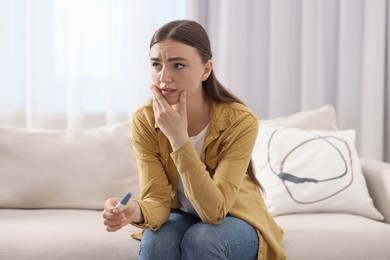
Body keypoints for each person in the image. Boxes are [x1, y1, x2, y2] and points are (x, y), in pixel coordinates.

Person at [102, 20, 286, 260]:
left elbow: (214, 212)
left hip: (235, 217)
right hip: (182, 214)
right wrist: (134, 211)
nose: (164, 78)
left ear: (206, 70)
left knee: (202, 239)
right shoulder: (145, 120)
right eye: (156, 64)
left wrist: (179, 140)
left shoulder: (240, 121)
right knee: (157, 240)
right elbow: (157, 199)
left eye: (178, 65)